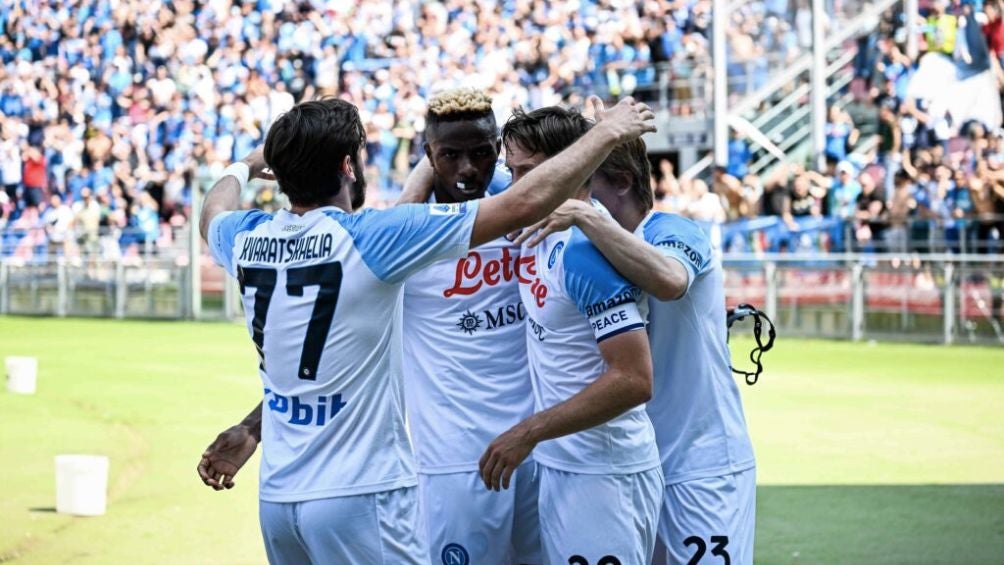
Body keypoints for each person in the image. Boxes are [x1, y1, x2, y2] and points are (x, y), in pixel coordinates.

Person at [195, 96, 656, 563]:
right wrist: (608, 131)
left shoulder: (249, 237)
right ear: (349, 165)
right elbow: (529, 199)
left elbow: (211, 212)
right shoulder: (381, 238)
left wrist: (245, 165)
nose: (467, 168)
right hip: (381, 485)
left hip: (282, 493)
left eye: (482, 153)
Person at [514, 130, 757, 565]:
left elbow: (670, 281)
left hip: (699, 462)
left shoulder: (673, 229)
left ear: (622, 182)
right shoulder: (586, 250)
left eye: (586, 182)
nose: (572, 194)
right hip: (633, 461)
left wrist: (590, 218)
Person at [478, 105, 663, 564]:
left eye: (530, 171)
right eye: (512, 170)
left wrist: (529, 431)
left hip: (605, 474)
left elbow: (634, 379)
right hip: (563, 465)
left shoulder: (584, 251)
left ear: (570, 166)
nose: (517, 184)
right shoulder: (535, 223)